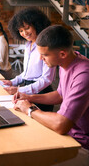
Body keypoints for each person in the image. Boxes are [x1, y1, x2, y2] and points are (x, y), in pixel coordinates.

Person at [14, 25, 89, 166]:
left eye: (45, 55)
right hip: (69, 136)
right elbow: (61, 95)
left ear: (62, 54)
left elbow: (61, 125)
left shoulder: (84, 74)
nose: (41, 58)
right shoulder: (67, 63)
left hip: (81, 144)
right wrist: (29, 97)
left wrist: (30, 110)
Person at [3, 7, 56, 111]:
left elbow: (47, 79)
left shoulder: (46, 46)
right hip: (27, 89)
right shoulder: (28, 45)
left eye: (27, 28)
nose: (24, 33)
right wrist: (12, 82)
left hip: (41, 93)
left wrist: (20, 89)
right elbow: (27, 73)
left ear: (37, 25)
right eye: (21, 30)